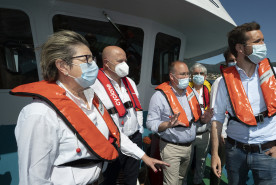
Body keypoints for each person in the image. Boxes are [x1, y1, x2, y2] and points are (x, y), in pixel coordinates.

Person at [11, 30, 168, 185]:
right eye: (85, 59)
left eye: (92, 58)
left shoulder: (91, 99)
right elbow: (34, 179)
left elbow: (115, 133)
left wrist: (144, 157)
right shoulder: (40, 114)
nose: (93, 65)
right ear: (63, 66)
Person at [211, 22, 276, 185]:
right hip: (234, 152)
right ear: (240, 48)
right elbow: (216, 119)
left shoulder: (275, 74)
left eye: (263, 40)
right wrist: (215, 153)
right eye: (257, 41)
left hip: (268, 152)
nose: (263, 45)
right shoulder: (224, 82)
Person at [146, 61, 213, 185]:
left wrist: (204, 119)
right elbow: (150, 123)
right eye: (182, 74)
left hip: (189, 147)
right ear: (172, 76)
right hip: (171, 148)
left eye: (188, 74)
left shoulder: (191, 93)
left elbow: (194, 121)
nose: (187, 77)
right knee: (171, 183)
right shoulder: (159, 96)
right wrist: (167, 124)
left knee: (182, 180)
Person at [91, 45, 144, 185]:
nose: (125, 65)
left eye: (125, 61)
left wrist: (140, 130)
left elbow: (137, 107)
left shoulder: (130, 82)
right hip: (112, 143)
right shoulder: (94, 84)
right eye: (120, 61)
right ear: (106, 63)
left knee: (131, 179)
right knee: (109, 179)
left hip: (134, 138)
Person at [209, 48, 236, 185]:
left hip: (239, 137)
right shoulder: (220, 82)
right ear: (226, 63)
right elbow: (215, 112)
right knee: (219, 165)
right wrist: (221, 133)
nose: (235, 63)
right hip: (224, 136)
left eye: (237, 59)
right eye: (231, 60)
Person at [188, 63, 212, 185]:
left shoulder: (210, 91)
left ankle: (197, 182)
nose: (198, 76)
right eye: (195, 74)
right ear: (191, 76)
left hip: (205, 133)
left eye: (201, 74)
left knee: (201, 161)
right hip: (189, 133)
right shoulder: (185, 91)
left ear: (206, 76)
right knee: (187, 161)